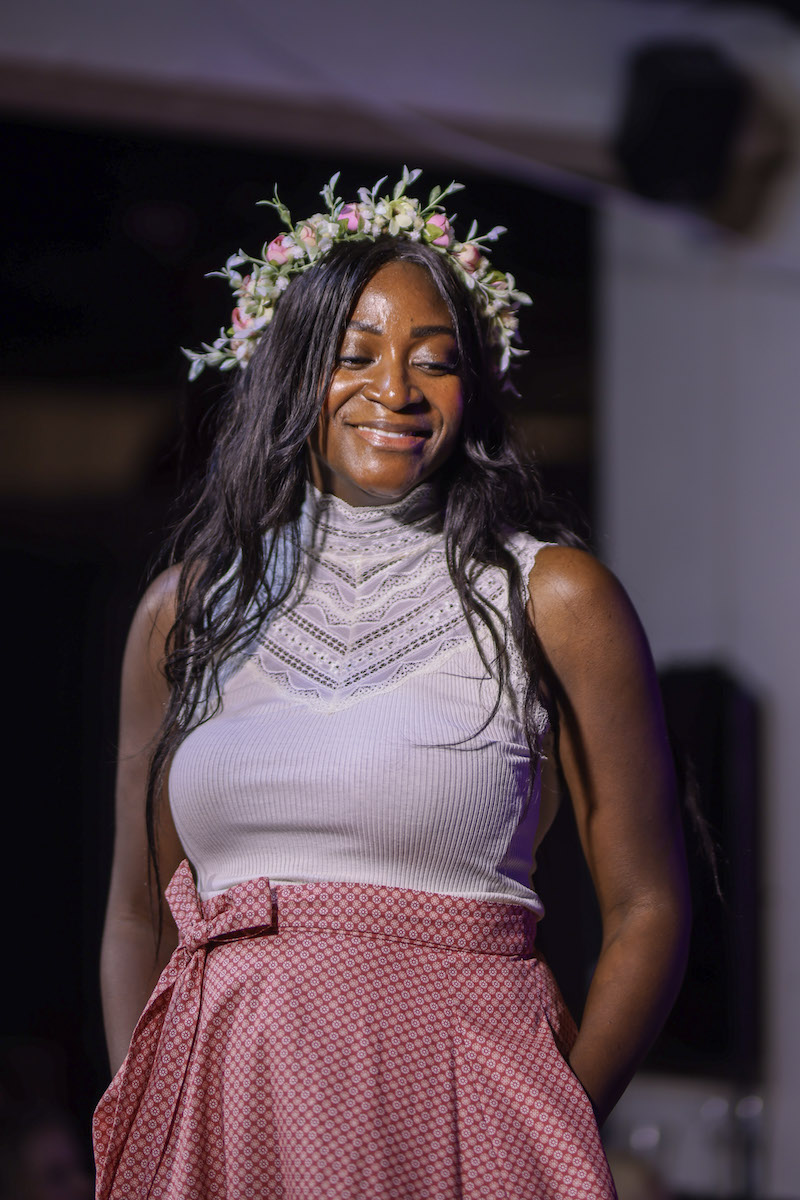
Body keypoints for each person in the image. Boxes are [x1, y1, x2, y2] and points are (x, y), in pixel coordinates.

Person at [94, 169, 690, 1199]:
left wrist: (551, 1130)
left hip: (459, 1109)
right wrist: (148, 1112)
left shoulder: (552, 596)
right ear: (288, 371)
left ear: (476, 386)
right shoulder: (185, 611)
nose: (397, 390)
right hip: (227, 1099)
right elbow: (136, 914)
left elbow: (648, 904)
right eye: (355, 354)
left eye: (435, 360)